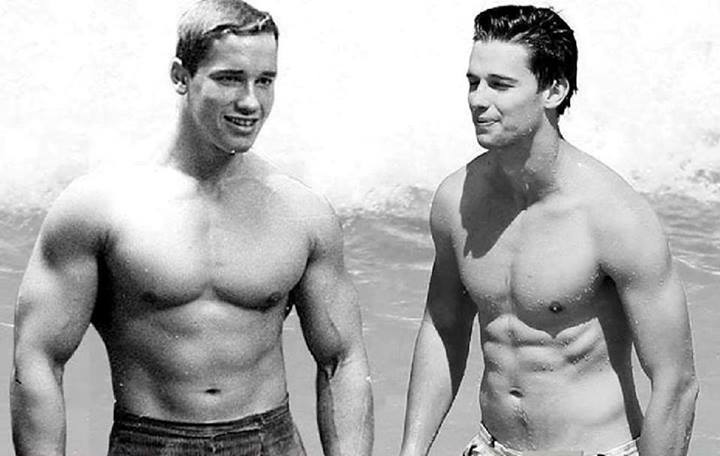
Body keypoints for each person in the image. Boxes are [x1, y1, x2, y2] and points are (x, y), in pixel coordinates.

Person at [10, 1, 373, 455]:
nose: (251, 101)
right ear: (181, 76)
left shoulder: (302, 212)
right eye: (229, 78)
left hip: (270, 441)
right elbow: (38, 359)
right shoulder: (99, 207)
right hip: (151, 441)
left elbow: (341, 359)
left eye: (265, 80)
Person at [399, 5, 698, 456]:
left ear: (554, 90)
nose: (478, 99)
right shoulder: (456, 200)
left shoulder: (613, 216)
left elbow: (675, 382)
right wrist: (411, 450)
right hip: (491, 446)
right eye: (473, 82)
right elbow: (443, 327)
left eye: (500, 85)